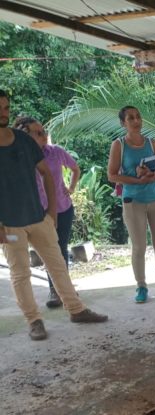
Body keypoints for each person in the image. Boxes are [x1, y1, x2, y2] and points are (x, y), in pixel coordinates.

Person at [0, 89, 107, 340]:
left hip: (39, 218)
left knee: (58, 265)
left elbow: (47, 173)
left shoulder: (23, 140)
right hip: (10, 225)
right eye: (0, 108)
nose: (4, 112)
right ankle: (34, 321)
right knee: (20, 273)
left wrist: (50, 212)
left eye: (6, 107)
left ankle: (76, 309)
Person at [107, 105, 155, 303]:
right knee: (139, 246)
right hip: (133, 201)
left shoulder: (152, 143)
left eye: (138, 116)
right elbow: (112, 175)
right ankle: (141, 286)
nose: (136, 121)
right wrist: (136, 179)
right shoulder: (119, 145)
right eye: (131, 118)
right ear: (123, 123)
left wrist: (151, 175)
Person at [12, 116, 81, 309]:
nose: (44, 136)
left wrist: (71, 188)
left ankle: (64, 291)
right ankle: (57, 291)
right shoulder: (16, 157)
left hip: (62, 208)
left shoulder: (56, 152)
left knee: (60, 249)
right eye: (39, 133)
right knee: (47, 253)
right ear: (25, 136)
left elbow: (75, 168)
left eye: (44, 132)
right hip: (37, 214)